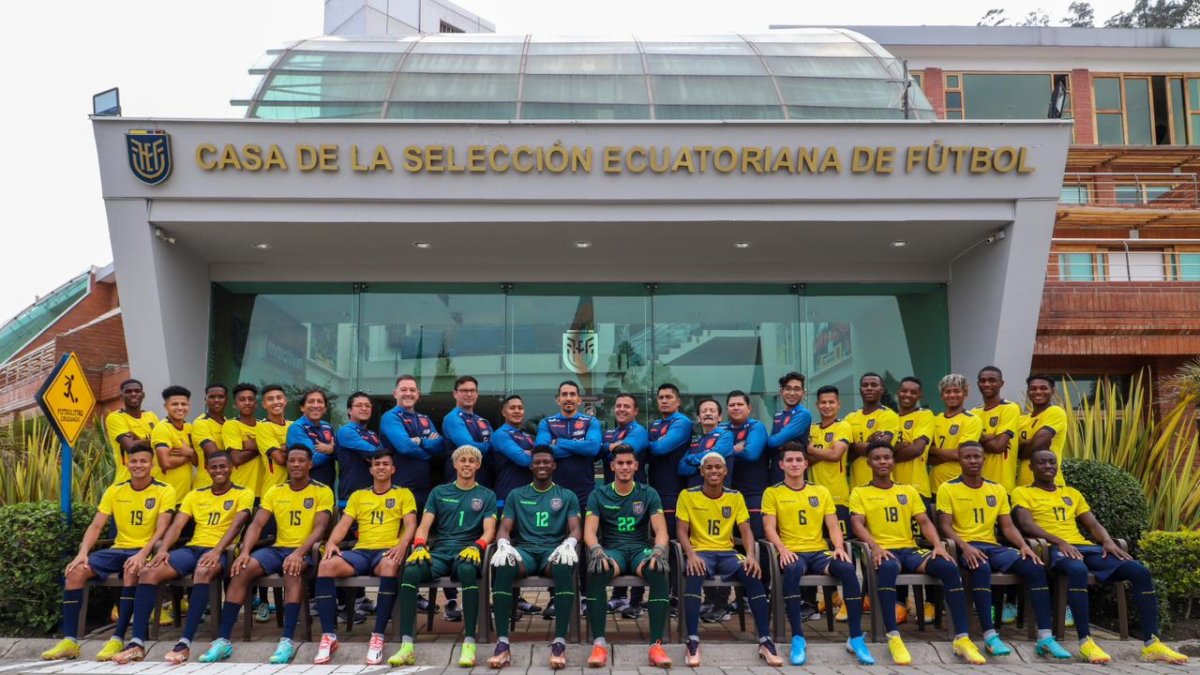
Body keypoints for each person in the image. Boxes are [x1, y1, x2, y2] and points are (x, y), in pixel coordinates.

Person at [1012, 449, 1188, 665]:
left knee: (1139, 570)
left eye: (1051, 462)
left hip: (1083, 547)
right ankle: (1086, 642)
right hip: (1052, 549)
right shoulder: (1022, 492)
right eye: (1041, 463)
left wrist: (1106, 541)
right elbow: (1026, 524)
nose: (1048, 466)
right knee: (1078, 570)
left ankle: (1152, 643)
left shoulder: (1072, 494)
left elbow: (1093, 524)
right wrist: (1059, 541)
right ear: (1031, 467)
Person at [849, 440, 986, 666]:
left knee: (948, 567)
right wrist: (875, 546)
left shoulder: (907, 490)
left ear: (893, 461)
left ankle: (962, 638)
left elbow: (924, 521)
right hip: (883, 551)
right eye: (877, 458)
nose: (882, 462)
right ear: (869, 463)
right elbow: (857, 524)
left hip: (909, 549)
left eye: (887, 457)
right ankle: (893, 636)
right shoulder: (860, 492)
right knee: (889, 566)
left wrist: (938, 546)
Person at [110, 452, 254, 664]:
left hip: (221, 551)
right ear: (207, 469)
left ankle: (184, 644)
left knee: (203, 571)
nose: (219, 471)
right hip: (192, 548)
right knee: (149, 571)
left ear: (231, 467)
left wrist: (216, 551)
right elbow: (177, 525)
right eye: (214, 467)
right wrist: (163, 549)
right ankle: (137, 644)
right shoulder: (195, 494)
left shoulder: (244, 493)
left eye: (223, 466)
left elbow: (237, 525)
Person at [935, 442, 1072, 661]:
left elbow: (1007, 527)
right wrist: (965, 546)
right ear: (960, 460)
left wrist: (1025, 547)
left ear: (983, 459)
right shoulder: (948, 488)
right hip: (966, 546)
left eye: (976, 457)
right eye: (967, 457)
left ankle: (1045, 637)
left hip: (992, 546)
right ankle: (989, 636)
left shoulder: (996, 489)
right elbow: (945, 526)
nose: (972, 461)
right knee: (980, 566)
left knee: (1035, 566)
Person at [199, 445, 334, 665]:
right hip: (278, 548)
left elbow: (320, 528)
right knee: (242, 569)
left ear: (310, 464)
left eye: (301, 461)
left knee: (292, 571)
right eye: (292, 461)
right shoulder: (275, 490)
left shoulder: (322, 490)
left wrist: (299, 553)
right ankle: (223, 639)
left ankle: (287, 640)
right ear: (287, 464)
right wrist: (244, 552)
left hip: (305, 550)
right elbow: (257, 524)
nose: (296, 465)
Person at [42, 442, 175, 662]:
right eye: (133, 461)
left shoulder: (164, 490)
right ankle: (70, 641)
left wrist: (142, 554)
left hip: (144, 550)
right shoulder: (115, 490)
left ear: (152, 464)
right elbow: (96, 526)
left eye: (143, 461)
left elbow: (162, 528)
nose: (138, 465)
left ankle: (117, 638)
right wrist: (82, 552)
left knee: (132, 570)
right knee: (75, 572)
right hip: (119, 548)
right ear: (126, 463)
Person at [762, 442, 873, 666]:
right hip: (793, 552)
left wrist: (839, 548)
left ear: (806, 464)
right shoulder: (772, 492)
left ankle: (855, 636)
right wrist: (782, 549)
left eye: (798, 460)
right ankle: (798, 637)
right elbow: (769, 528)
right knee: (792, 570)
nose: (794, 464)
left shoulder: (820, 491)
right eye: (789, 460)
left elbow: (832, 526)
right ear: (782, 465)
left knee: (847, 569)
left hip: (819, 552)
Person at [391, 445, 496, 668]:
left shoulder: (486, 495)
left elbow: (490, 530)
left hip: (467, 551)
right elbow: (424, 525)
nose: (467, 464)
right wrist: (419, 546)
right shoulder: (439, 492)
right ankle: (407, 645)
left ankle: (469, 643)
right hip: (440, 551)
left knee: (468, 570)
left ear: (478, 465)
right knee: (411, 571)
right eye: (462, 460)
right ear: (455, 464)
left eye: (471, 460)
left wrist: (478, 546)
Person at [678, 453, 783, 667]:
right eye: (709, 468)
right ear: (702, 471)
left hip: (727, 553)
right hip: (701, 552)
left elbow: (745, 530)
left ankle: (764, 639)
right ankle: (693, 640)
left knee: (752, 572)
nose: (714, 471)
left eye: (718, 467)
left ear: (725, 471)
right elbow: (681, 531)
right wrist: (690, 554)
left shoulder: (735, 496)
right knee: (694, 572)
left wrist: (751, 555)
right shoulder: (687, 495)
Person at [313, 451, 418, 665]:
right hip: (361, 552)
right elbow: (343, 524)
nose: (380, 467)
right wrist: (332, 542)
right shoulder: (358, 495)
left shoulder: (403, 493)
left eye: (385, 464)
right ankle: (329, 636)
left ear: (392, 469)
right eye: (377, 464)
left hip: (385, 552)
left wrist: (401, 545)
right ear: (370, 469)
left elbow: (410, 524)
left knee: (390, 565)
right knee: (325, 566)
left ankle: (378, 636)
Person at [487, 447, 582, 669]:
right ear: (530, 466)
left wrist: (569, 543)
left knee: (564, 565)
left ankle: (559, 642)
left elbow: (576, 527)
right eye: (537, 462)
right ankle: (502, 643)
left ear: (554, 466)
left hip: (553, 550)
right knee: (504, 566)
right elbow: (504, 528)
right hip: (526, 552)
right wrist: (503, 544)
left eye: (546, 462)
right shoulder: (516, 494)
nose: (541, 465)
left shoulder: (567, 495)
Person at [584, 444, 672, 669]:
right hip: (613, 550)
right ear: (612, 466)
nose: (624, 467)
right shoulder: (599, 493)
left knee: (658, 570)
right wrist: (597, 550)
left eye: (628, 463)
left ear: (636, 466)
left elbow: (661, 530)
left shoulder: (648, 493)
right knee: (598, 569)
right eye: (620, 463)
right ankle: (599, 643)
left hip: (640, 549)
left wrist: (658, 551)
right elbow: (589, 532)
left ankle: (655, 645)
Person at [380, 375, 452, 619]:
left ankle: (418, 595)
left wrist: (419, 442)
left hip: (424, 489)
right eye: (404, 389)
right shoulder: (390, 417)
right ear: (395, 393)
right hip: (402, 489)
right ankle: (397, 600)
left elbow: (440, 446)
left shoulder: (424, 418)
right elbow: (403, 447)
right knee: (400, 543)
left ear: (418, 394)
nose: (408, 393)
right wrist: (425, 447)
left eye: (412, 390)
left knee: (423, 543)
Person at [602, 393, 649, 618]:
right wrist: (609, 445)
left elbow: (627, 448)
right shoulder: (611, 432)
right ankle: (618, 596)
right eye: (618, 405)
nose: (621, 409)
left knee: (638, 542)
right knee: (616, 540)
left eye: (626, 406)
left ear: (635, 411)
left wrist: (609, 446)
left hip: (637, 494)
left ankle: (636, 601)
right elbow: (596, 449)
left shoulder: (639, 430)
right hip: (613, 494)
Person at [536, 380, 603, 512]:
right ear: (557, 399)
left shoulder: (590, 421)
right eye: (564, 394)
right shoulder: (547, 423)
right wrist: (580, 447)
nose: (568, 398)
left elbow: (593, 448)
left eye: (572, 394)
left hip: (585, 491)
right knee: (557, 532)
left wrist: (560, 442)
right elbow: (542, 452)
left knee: (584, 530)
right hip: (555, 490)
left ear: (579, 400)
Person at [646, 383, 692, 537]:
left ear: (678, 401)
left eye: (668, 397)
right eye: (661, 398)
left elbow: (660, 449)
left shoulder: (682, 422)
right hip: (654, 488)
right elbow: (649, 451)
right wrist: (656, 443)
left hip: (673, 490)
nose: (664, 401)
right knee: (655, 535)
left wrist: (653, 443)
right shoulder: (654, 424)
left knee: (671, 536)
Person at [928, 374, 983, 495]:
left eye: (957, 391)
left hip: (961, 487)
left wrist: (934, 450)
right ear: (942, 395)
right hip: (934, 487)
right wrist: (946, 455)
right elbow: (926, 458)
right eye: (947, 391)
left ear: (965, 393)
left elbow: (961, 454)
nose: (952, 395)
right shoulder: (934, 420)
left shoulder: (972, 420)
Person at [724, 390, 768, 538]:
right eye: (732, 405)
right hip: (728, 494)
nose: (736, 407)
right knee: (731, 543)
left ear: (749, 408)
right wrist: (734, 449)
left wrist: (723, 451)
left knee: (756, 540)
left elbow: (751, 454)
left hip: (752, 494)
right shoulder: (722, 429)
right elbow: (710, 455)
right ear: (727, 409)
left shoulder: (756, 427)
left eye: (740, 404)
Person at [845, 372, 899, 489]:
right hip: (856, 488)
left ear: (882, 390)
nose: (869, 388)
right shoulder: (850, 417)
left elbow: (879, 450)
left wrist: (852, 445)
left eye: (874, 385)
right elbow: (845, 454)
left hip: (883, 487)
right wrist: (868, 443)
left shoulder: (888, 415)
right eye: (865, 385)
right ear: (860, 390)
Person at [973, 366, 1021, 493]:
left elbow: (998, 447)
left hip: (1002, 486)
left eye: (992, 380)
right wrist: (991, 436)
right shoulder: (973, 412)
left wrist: (977, 438)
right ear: (978, 384)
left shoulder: (1010, 408)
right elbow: (966, 446)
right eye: (982, 381)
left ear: (1001, 383)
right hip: (975, 486)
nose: (987, 384)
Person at [105, 378, 160, 486]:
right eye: (128, 392)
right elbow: (131, 447)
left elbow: (165, 444)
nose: (133, 394)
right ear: (121, 396)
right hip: (127, 482)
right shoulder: (115, 418)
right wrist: (153, 441)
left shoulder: (152, 417)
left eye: (137, 391)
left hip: (153, 482)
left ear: (143, 395)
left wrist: (140, 441)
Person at [1017, 374, 1069, 488]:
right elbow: (1012, 447)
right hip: (1024, 487)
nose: (1038, 391)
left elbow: (1037, 444)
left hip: (1051, 487)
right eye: (1033, 388)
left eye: (1043, 388)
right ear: (1028, 392)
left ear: (1053, 391)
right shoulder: (1022, 420)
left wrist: (1024, 449)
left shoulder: (1055, 412)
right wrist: (1031, 444)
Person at [443, 375, 495, 489]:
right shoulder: (452, 418)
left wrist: (493, 445)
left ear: (477, 394)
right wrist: (490, 445)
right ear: (455, 394)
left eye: (472, 390)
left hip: (484, 479)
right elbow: (469, 447)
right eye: (464, 390)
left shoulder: (482, 421)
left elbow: (496, 446)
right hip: (459, 482)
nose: (469, 394)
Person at [150, 385, 197, 505]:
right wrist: (188, 456)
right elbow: (165, 463)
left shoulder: (189, 427)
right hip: (165, 500)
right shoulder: (162, 428)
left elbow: (197, 462)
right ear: (166, 407)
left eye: (184, 404)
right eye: (175, 404)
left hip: (185, 498)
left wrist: (191, 452)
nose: (180, 408)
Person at [334, 392, 382, 508]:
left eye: (367, 405)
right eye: (359, 405)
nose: (364, 408)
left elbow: (382, 456)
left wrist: (375, 457)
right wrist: (374, 456)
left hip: (373, 496)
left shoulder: (372, 434)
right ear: (350, 410)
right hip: (350, 498)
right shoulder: (346, 431)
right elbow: (377, 454)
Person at [766, 372, 812, 484]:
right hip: (776, 471)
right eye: (788, 389)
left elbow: (775, 441)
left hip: (795, 474)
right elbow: (773, 446)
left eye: (797, 389)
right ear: (781, 392)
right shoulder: (778, 414)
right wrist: (779, 443)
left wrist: (776, 442)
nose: (792, 393)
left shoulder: (803, 414)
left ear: (803, 393)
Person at [678, 397, 732, 488]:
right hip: (694, 496)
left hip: (719, 496)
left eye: (712, 410)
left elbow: (713, 456)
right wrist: (698, 468)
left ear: (719, 417)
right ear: (699, 418)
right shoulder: (694, 441)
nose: (708, 413)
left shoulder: (726, 435)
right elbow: (681, 468)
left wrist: (691, 459)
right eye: (704, 411)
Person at [492, 394, 536, 506]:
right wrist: (532, 453)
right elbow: (524, 460)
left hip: (529, 498)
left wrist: (529, 453)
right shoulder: (500, 434)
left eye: (520, 408)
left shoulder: (529, 437)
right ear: (504, 413)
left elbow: (543, 457)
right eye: (512, 408)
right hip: (506, 498)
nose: (517, 411)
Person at [222, 383, 264, 500]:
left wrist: (253, 445)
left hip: (263, 491)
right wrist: (263, 445)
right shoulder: (231, 425)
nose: (247, 403)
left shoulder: (263, 426)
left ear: (256, 403)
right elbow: (237, 459)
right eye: (242, 399)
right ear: (235, 405)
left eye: (251, 399)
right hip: (239, 490)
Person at [287, 388, 337, 487]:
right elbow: (312, 459)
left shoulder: (328, 426)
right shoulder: (297, 427)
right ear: (302, 407)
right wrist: (332, 451)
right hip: (304, 488)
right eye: (311, 401)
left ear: (325, 408)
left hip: (327, 487)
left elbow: (340, 454)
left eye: (320, 401)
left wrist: (333, 449)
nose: (315, 405)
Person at [255, 384, 292, 494]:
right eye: (270, 399)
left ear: (285, 401)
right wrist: (294, 449)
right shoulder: (263, 426)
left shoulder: (293, 425)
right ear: (264, 404)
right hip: (273, 490)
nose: (276, 402)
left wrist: (285, 448)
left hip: (296, 490)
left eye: (279, 398)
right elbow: (280, 459)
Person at [190, 383, 228, 491]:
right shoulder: (200, 423)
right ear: (205, 399)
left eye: (220, 397)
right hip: (205, 485)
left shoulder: (229, 423)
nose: (216, 400)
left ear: (226, 400)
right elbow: (215, 455)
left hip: (226, 485)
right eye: (212, 397)